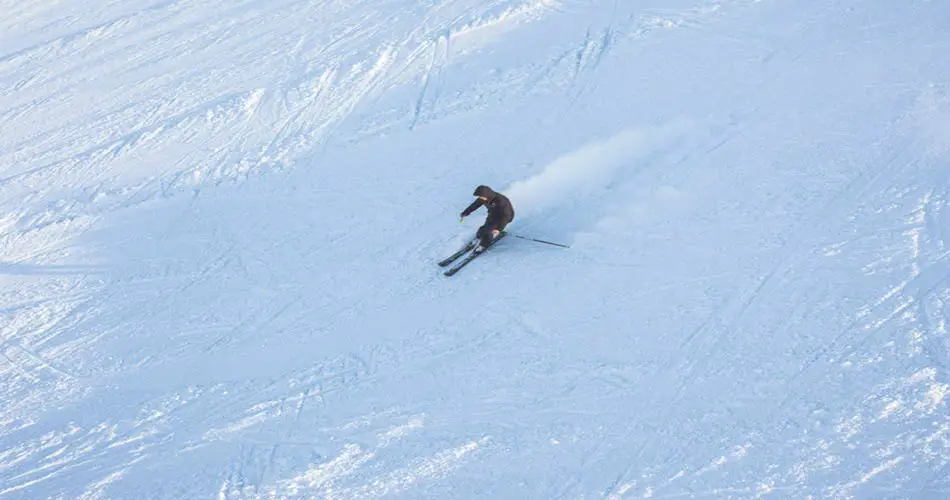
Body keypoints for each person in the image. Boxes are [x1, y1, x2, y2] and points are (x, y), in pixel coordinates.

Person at [460, 185, 515, 251]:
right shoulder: (484, 198)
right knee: (483, 228)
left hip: (503, 217)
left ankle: (483, 245)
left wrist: (499, 229)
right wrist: (466, 212)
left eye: (481, 196)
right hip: (493, 215)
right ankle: (478, 238)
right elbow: (475, 205)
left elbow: (506, 216)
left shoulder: (501, 200)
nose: (480, 198)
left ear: (487, 194)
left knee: (488, 232)